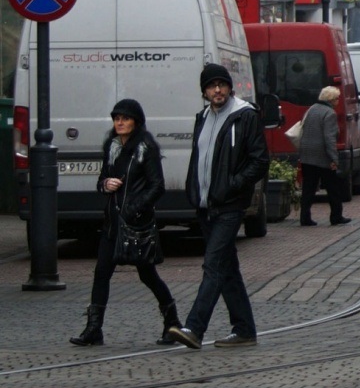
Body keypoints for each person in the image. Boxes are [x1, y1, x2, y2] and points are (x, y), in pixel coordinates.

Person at [167, 63, 269, 350]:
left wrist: (233, 185)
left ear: (229, 87)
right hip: (205, 204)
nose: (217, 90)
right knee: (227, 268)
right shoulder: (201, 117)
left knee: (212, 264)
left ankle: (194, 328)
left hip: (229, 205)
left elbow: (260, 160)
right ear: (204, 91)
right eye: (211, 86)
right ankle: (245, 329)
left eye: (221, 85)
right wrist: (194, 189)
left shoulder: (244, 116)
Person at [70, 99, 179, 347]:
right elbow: (102, 179)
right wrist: (105, 184)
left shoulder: (145, 147)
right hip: (112, 221)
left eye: (125, 118)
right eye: (116, 118)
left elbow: (157, 186)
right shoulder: (111, 146)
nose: (120, 122)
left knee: (147, 274)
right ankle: (94, 328)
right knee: (101, 273)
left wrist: (134, 207)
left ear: (136, 122)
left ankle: (172, 322)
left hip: (136, 223)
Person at [299, 86, 350, 226]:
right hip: (322, 156)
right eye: (337, 98)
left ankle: (304, 217)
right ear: (331, 100)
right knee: (333, 188)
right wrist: (334, 159)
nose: (338, 101)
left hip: (306, 153)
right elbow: (329, 138)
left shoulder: (311, 109)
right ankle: (336, 216)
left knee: (308, 188)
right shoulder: (329, 113)